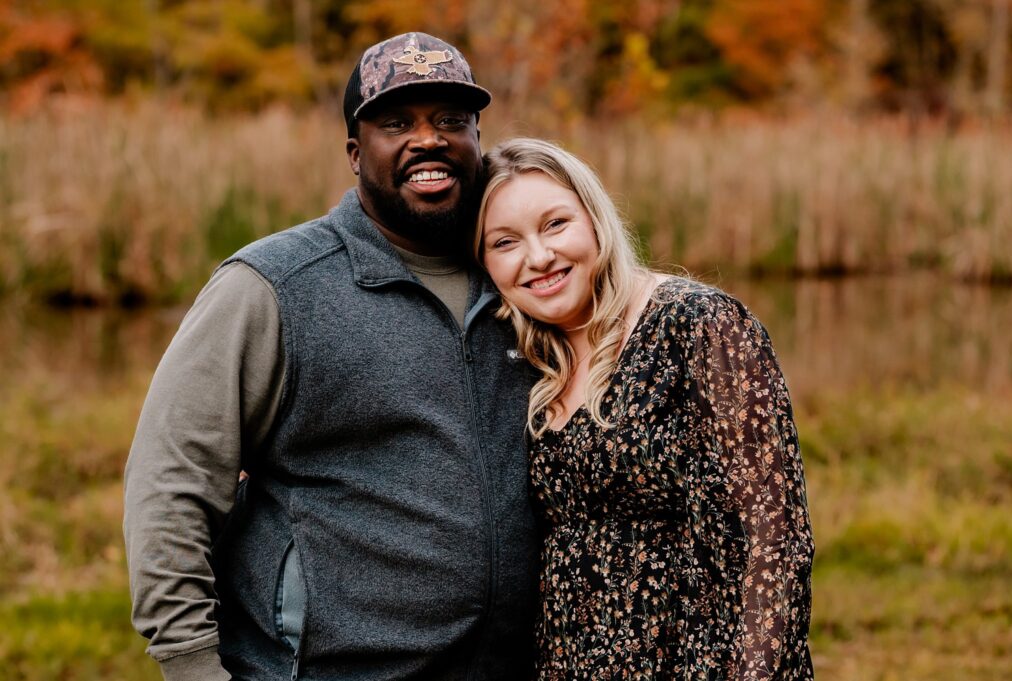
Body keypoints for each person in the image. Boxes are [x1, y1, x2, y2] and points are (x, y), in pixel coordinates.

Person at [123, 34, 539, 681]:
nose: (428, 139)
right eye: (397, 122)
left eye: (451, 121)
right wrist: (191, 665)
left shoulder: (524, 279)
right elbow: (170, 485)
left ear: (478, 141)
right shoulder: (273, 286)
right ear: (354, 151)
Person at [475, 138, 814, 679]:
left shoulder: (699, 326)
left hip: (699, 661)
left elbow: (775, 537)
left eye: (556, 224)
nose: (538, 257)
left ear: (594, 219)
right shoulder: (527, 361)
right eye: (505, 242)